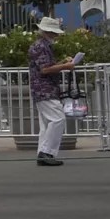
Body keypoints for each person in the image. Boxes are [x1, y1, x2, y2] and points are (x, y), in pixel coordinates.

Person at [30, 16, 83, 167]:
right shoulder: (41, 46)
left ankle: (43, 152)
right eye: (55, 32)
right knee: (58, 119)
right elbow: (45, 69)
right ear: (48, 32)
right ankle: (46, 152)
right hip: (44, 89)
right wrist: (65, 66)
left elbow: (45, 67)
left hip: (42, 88)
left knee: (47, 123)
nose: (57, 35)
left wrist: (61, 64)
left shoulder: (41, 46)